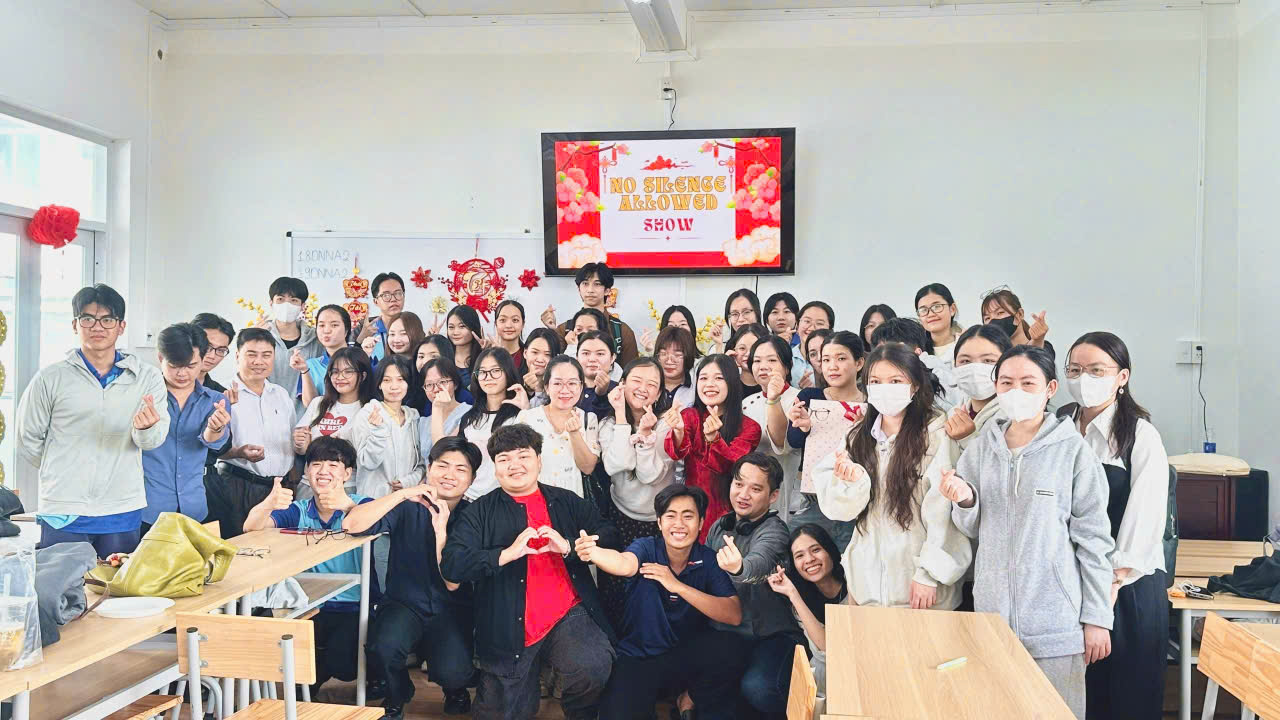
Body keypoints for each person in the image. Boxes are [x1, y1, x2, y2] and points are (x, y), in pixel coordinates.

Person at [940, 345, 1114, 718]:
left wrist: (1098, 617)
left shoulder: (1073, 451)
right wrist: (964, 499)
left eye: (1027, 382)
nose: (1015, 390)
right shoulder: (981, 448)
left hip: (1055, 625)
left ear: (1050, 388)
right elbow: (969, 527)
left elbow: (1095, 541)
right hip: (992, 621)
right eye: (1006, 382)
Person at [440, 423, 619, 720]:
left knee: (593, 665)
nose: (515, 465)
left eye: (523, 456)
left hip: (567, 613)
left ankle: (580, 711)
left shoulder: (565, 501)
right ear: (495, 467)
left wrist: (570, 546)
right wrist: (504, 555)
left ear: (539, 460)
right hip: (506, 621)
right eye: (504, 459)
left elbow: (609, 533)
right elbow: (452, 565)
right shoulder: (479, 512)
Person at [810, 343, 971, 611]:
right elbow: (838, 508)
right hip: (867, 586)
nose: (885, 388)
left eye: (895, 381)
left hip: (921, 588)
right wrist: (853, 483)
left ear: (915, 385)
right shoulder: (857, 437)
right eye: (876, 381)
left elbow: (943, 512)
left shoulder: (937, 435)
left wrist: (929, 573)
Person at [1060, 332, 1169, 720]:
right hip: (1069, 583)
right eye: (1075, 370)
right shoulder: (1058, 425)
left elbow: (1144, 520)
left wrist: (1103, 594)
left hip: (1124, 587)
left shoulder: (1140, 435)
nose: (1084, 379)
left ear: (1122, 376)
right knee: (1073, 700)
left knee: (1124, 699)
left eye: (1096, 370)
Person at [17, 284, 169, 554]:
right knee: (61, 580)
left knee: (117, 579)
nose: (97, 327)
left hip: (121, 503)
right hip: (64, 505)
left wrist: (145, 429)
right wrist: (64, 464)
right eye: (88, 318)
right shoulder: (50, 378)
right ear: (75, 325)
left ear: (121, 327)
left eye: (107, 319)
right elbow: (27, 438)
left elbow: (153, 441)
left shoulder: (147, 377)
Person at [345, 436, 484, 718]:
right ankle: (397, 694)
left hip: (452, 607)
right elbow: (351, 525)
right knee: (383, 648)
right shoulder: (407, 505)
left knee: (455, 670)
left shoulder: (475, 516)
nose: (449, 475)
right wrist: (401, 494)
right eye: (442, 465)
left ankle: (454, 688)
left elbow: (454, 581)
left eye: (460, 469)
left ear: (471, 479)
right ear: (429, 468)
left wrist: (441, 531)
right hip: (404, 602)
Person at [585, 485, 745, 720]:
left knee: (734, 648)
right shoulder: (646, 547)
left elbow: (734, 614)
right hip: (640, 657)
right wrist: (594, 553)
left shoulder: (708, 559)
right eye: (671, 516)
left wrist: (677, 586)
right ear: (659, 522)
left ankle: (689, 698)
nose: (679, 524)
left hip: (685, 656)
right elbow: (624, 563)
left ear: (701, 523)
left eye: (688, 516)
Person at [242, 437, 377, 697]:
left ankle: (361, 673)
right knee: (285, 653)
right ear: (306, 471)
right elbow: (252, 527)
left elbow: (371, 521)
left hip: (353, 605)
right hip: (309, 603)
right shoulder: (298, 510)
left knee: (343, 664)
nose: (323, 471)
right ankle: (312, 677)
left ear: (347, 473)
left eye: (333, 465)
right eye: (316, 464)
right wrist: (269, 503)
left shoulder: (362, 505)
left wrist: (347, 507)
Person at [704, 453, 802, 717]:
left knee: (759, 687)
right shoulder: (719, 526)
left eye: (756, 489)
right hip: (727, 633)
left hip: (771, 635)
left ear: (773, 496)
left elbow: (759, 564)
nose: (743, 494)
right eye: (739, 484)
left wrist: (738, 568)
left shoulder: (775, 531)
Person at [596, 358, 675, 624]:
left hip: (657, 521)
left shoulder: (665, 425)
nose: (643, 388)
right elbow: (616, 464)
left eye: (652, 384)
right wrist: (620, 414)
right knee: (616, 585)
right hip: (621, 515)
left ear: (660, 393)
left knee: (652, 587)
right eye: (637, 381)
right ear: (622, 384)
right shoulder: (609, 423)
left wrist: (646, 434)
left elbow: (649, 475)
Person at [141, 323, 230, 532]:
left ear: (202, 360)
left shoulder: (215, 400)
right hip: (148, 508)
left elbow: (215, 444)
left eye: (190, 366)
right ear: (161, 358)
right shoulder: (142, 397)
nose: (182, 373)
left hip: (194, 507)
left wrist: (215, 430)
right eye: (174, 365)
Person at [211, 327, 297, 539]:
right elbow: (211, 448)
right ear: (237, 356)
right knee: (239, 547)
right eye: (252, 354)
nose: (259, 361)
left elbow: (292, 440)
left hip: (280, 489)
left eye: (266, 355)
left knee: (280, 550)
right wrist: (239, 452)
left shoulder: (281, 395)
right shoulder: (221, 393)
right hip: (237, 486)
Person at [664, 354, 762, 540]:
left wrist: (714, 439)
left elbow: (731, 466)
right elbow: (675, 453)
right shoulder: (690, 416)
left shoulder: (750, 427)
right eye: (703, 378)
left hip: (730, 513)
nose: (709, 384)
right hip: (694, 509)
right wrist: (677, 431)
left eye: (718, 378)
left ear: (732, 383)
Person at [786, 331, 867, 550]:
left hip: (858, 499)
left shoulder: (871, 404)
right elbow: (794, 442)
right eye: (826, 360)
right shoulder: (810, 396)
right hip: (815, 497)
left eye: (841, 358)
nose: (832, 366)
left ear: (859, 363)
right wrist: (803, 426)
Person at [766, 524, 848, 695]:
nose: (809, 559)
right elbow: (826, 648)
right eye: (799, 555)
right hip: (824, 683)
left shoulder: (853, 582)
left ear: (829, 550)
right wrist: (792, 593)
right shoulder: (799, 598)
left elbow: (842, 649)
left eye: (816, 550)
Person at [515, 356, 601, 497]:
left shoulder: (588, 419)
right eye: (557, 383)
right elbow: (516, 464)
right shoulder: (527, 418)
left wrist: (575, 433)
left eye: (572, 383)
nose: (565, 390)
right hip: (534, 499)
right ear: (547, 387)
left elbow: (587, 468)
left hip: (572, 501)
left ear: (581, 387)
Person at [294, 348, 375, 496]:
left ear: (363, 376)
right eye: (335, 372)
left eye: (348, 372)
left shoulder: (370, 409)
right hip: (310, 485)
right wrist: (300, 444)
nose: (340, 377)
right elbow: (302, 449)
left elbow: (370, 456)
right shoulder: (318, 403)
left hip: (347, 487)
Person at [455, 347, 529, 500]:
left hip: (508, 498)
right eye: (482, 372)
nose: (488, 377)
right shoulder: (469, 418)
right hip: (470, 497)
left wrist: (526, 412)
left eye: (495, 371)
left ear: (508, 372)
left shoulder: (520, 415)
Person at [742, 335, 803, 519]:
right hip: (752, 494)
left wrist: (773, 399)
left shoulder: (799, 399)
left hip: (788, 491)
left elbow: (782, 445)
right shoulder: (747, 403)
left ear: (787, 366)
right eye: (757, 361)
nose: (763, 366)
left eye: (771, 360)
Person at [545, 262, 639, 367]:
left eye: (597, 284)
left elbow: (631, 371)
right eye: (585, 284)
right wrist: (552, 332)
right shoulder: (564, 329)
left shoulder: (622, 331)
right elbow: (553, 368)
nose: (590, 290)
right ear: (579, 289)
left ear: (607, 290)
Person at [192, 312, 237, 525]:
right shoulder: (157, 386)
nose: (211, 355)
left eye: (220, 350)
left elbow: (222, 449)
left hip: (206, 481)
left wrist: (220, 426)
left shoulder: (219, 394)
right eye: (207, 346)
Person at [944, 324, 1012, 464]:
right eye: (965, 361)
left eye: (988, 361)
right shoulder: (953, 414)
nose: (975, 369)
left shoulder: (1014, 417)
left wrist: (968, 438)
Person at [870, 317, 955, 412]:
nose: (884, 359)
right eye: (879, 353)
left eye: (893, 354)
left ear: (917, 354)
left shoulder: (937, 375)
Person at [262, 276, 323, 405]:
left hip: (307, 413)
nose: (287, 305)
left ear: (302, 306)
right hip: (267, 412)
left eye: (293, 300)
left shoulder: (316, 339)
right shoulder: (260, 336)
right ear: (271, 303)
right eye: (280, 299)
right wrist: (252, 338)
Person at [915, 283, 964, 403]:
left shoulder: (966, 345)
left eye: (937, 307)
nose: (931, 314)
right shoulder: (917, 352)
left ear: (952, 309)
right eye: (923, 310)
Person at [297, 304, 352, 408]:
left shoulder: (360, 359)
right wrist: (304, 370)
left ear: (346, 330)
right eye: (321, 325)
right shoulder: (310, 365)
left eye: (334, 325)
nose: (326, 331)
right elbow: (309, 404)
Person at [980, 286, 1053, 358]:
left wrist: (1037, 341)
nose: (993, 321)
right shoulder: (989, 357)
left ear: (1019, 314)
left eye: (1000, 313)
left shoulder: (1044, 347)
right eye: (987, 318)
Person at [420, 358, 472, 454]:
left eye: (442, 382)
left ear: (455, 384)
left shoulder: (470, 414)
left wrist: (437, 408)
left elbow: (442, 451)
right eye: (429, 384)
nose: (436, 389)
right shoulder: (422, 422)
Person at [352, 272, 407, 361]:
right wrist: (360, 339)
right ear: (376, 301)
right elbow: (349, 363)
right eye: (386, 295)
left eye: (398, 293)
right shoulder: (362, 330)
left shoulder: (412, 326)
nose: (393, 299)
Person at [575, 329, 618, 417]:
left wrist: (601, 395)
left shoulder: (618, 391)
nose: (592, 359)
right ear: (577, 357)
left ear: (612, 358)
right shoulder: (567, 388)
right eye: (586, 353)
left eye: (600, 354)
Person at [654, 325, 697, 411]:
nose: (669, 361)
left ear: (688, 356)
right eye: (663, 354)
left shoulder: (696, 387)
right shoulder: (651, 385)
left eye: (677, 355)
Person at [793, 301, 833, 387]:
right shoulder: (786, 357)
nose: (812, 328)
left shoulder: (835, 358)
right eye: (807, 321)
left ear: (830, 329)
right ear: (797, 325)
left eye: (819, 323)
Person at [520, 327, 563, 405]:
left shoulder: (561, 389)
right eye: (535, 352)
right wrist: (528, 391)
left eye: (547, 354)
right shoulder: (512, 381)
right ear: (525, 353)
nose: (540, 360)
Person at [446, 305, 485, 388]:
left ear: (473, 328)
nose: (455, 332)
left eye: (462, 326)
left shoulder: (484, 359)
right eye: (451, 327)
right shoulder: (443, 357)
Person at [727, 323, 769, 398]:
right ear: (733, 351)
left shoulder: (774, 385)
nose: (748, 354)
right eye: (742, 348)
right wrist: (724, 366)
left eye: (754, 348)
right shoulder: (727, 385)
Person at [494, 299, 527, 368]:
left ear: (523, 324)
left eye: (515, 320)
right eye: (503, 320)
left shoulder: (529, 355)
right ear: (496, 324)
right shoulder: (487, 356)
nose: (508, 325)